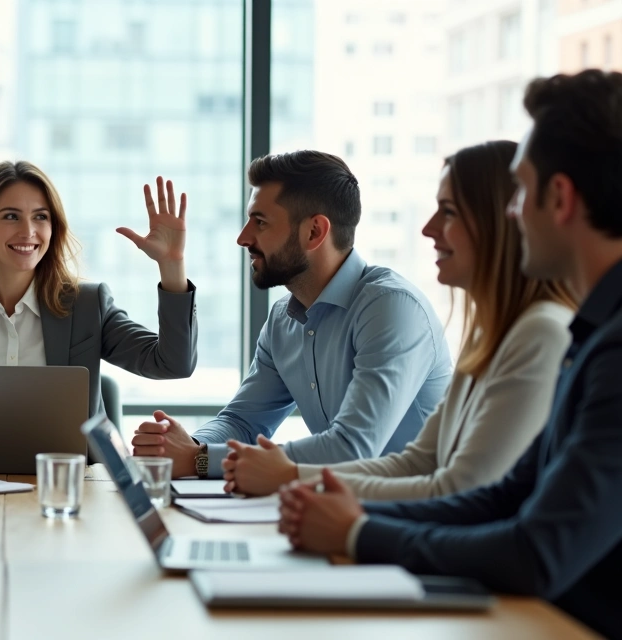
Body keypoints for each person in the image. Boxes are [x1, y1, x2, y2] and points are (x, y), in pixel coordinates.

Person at [277, 70, 622, 639]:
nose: (513, 214)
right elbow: (504, 497)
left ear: (559, 198)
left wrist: (356, 531)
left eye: (520, 192)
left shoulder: (600, 345)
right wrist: (338, 511)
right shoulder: (591, 336)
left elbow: (536, 550)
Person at [221, 141, 576, 498]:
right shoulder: (489, 336)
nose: (427, 229)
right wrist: (289, 475)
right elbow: (417, 462)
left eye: (448, 212)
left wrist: (293, 479)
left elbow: (456, 490)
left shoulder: (538, 333)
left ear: (503, 221)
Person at [133, 150, 452, 479]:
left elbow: (351, 448)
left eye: (260, 222)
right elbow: (242, 422)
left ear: (314, 232)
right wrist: (183, 446)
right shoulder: (283, 320)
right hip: (344, 501)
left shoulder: (391, 308)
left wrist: (200, 459)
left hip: (418, 505)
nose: (243, 238)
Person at [0, 160, 198, 456]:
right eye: (11, 216)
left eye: (40, 217)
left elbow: (172, 363)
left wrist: (172, 265)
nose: (28, 231)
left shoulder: (88, 305)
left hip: (70, 485)